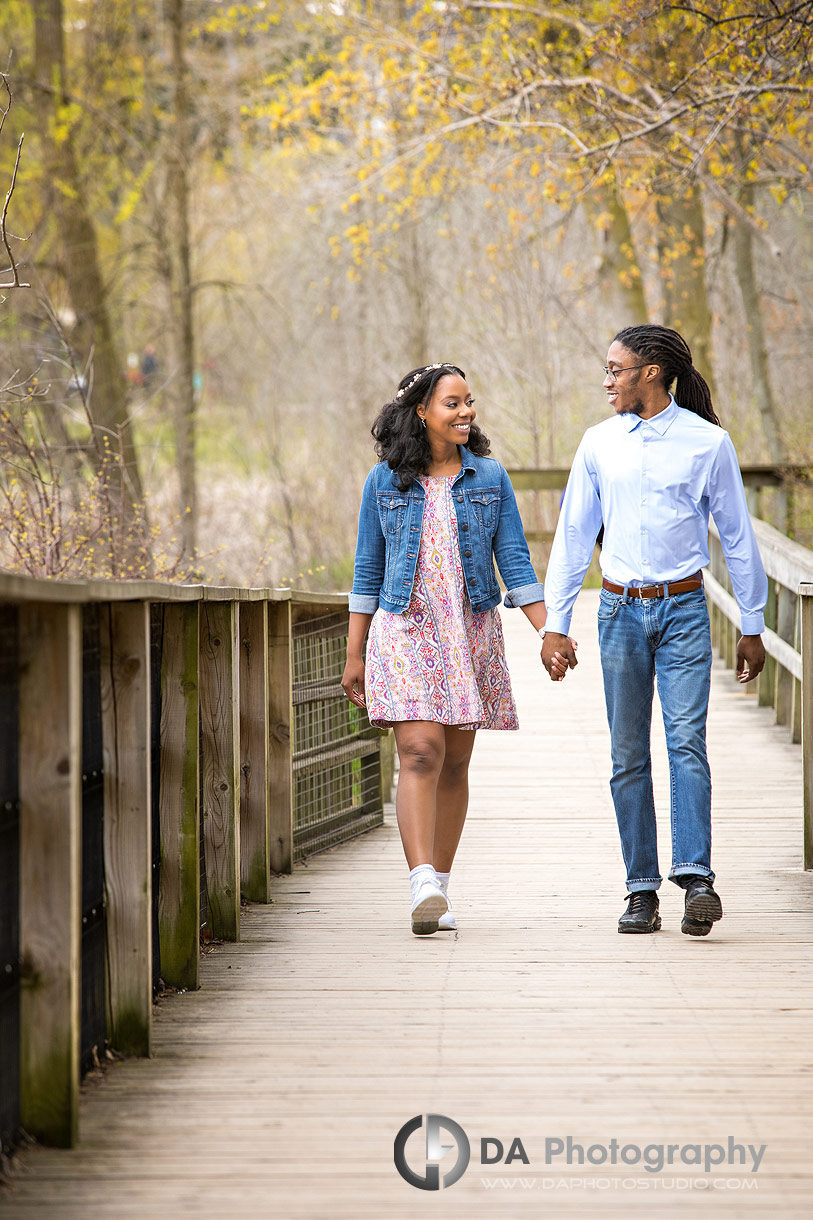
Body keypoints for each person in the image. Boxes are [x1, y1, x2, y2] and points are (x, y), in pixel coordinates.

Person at [541, 325, 767, 937]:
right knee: (626, 753)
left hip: (685, 611)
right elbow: (572, 538)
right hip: (617, 611)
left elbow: (738, 538)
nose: (606, 379)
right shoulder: (598, 444)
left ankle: (696, 878)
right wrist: (555, 626)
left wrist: (753, 625)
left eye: (616, 368)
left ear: (650, 372)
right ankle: (640, 889)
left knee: (686, 742)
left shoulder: (707, 443)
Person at [343, 363, 561, 936]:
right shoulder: (383, 482)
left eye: (469, 402)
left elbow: (513, 558)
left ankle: (439, 882)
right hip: (405, 632)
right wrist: (354, 653)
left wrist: (547, 629)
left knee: (456, 762)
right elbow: (367, 569)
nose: (466, 412)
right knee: (419, 752)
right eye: (452, 403)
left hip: (469, 631)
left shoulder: (489, 477)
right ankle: (422, 881)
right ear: (421, 411)